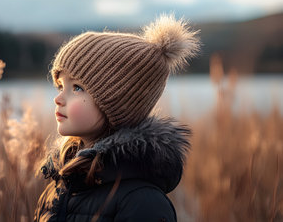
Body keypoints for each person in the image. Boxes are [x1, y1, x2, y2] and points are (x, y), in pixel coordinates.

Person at [33, 14, 201, 222]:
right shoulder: (60, 186)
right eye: (60, 86)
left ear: (116, 102)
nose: (59, 98)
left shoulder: (143, 203)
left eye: (77, 87)